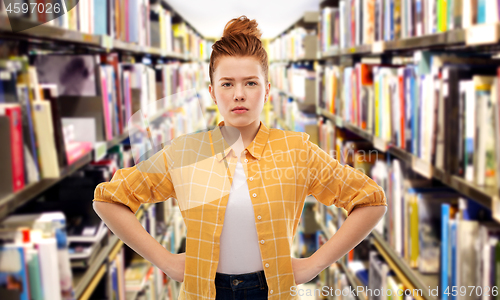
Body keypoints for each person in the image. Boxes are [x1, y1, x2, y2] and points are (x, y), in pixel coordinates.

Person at [93, 16, 387, 300]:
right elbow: (109, 199)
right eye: (226, 84)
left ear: (268, 90)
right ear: (211, 92)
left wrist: (315, 264)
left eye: (250, 83)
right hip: (203, 293)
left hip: (274, 292)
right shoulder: (184, 151)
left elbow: (371, 200)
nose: (238, 95)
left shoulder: (296, 149)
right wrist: (166, 262)